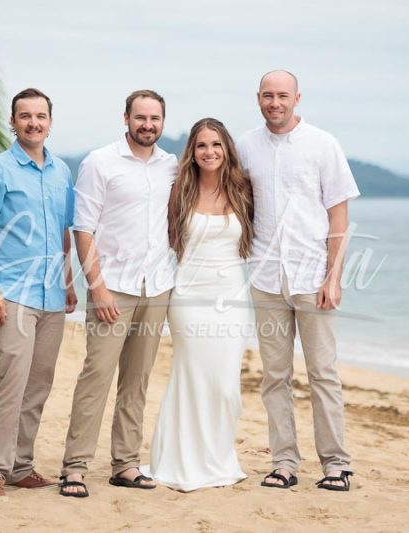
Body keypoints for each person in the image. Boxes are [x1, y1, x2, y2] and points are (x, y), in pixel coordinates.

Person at [237, 70, 359, 491]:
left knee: (323, 372)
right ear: (258, 99)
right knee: (274, 376)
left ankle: (336, 464)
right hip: (266, 276)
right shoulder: (246, 146)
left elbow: (339, 216)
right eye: (268, 96)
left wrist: (334, 276)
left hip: (312, 277)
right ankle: (284, 463)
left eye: (282, 95)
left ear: (297, 98)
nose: (275, 102)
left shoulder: (324, 145)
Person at [59, 90, 178, 497]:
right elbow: (83, 228)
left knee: (137, 379)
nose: (148, 125)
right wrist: (98, 288)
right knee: (97, 375)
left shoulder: (172, 166)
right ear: (125, 118)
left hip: (157, 287)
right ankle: (74, 467)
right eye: (140, 117)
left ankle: (125, 463)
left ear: (163, 122)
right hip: (114, 288)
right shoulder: (100, 162)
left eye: (155, 118)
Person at [0, 88, 77, 503]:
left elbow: (63, 232)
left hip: (51, 296)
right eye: (25, 116)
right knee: (9, 381)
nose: (33, 122)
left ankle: (21, 466)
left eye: (40, 115)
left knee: (38, 385)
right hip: (11, 293)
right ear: (11, 122)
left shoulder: (62, 172)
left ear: (50, 121)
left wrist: (68, 283)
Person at [148, 118, 254, 491]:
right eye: (201, 146)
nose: (209, 152)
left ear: (227, 149)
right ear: (191, 152)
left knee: (225, 384)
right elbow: (158, 240)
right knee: (191, 376)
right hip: (189, 296)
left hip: (232, 296)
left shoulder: (244, 190)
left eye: (216, 145)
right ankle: (179, 461)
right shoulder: (180, 190)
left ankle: (218, 458)